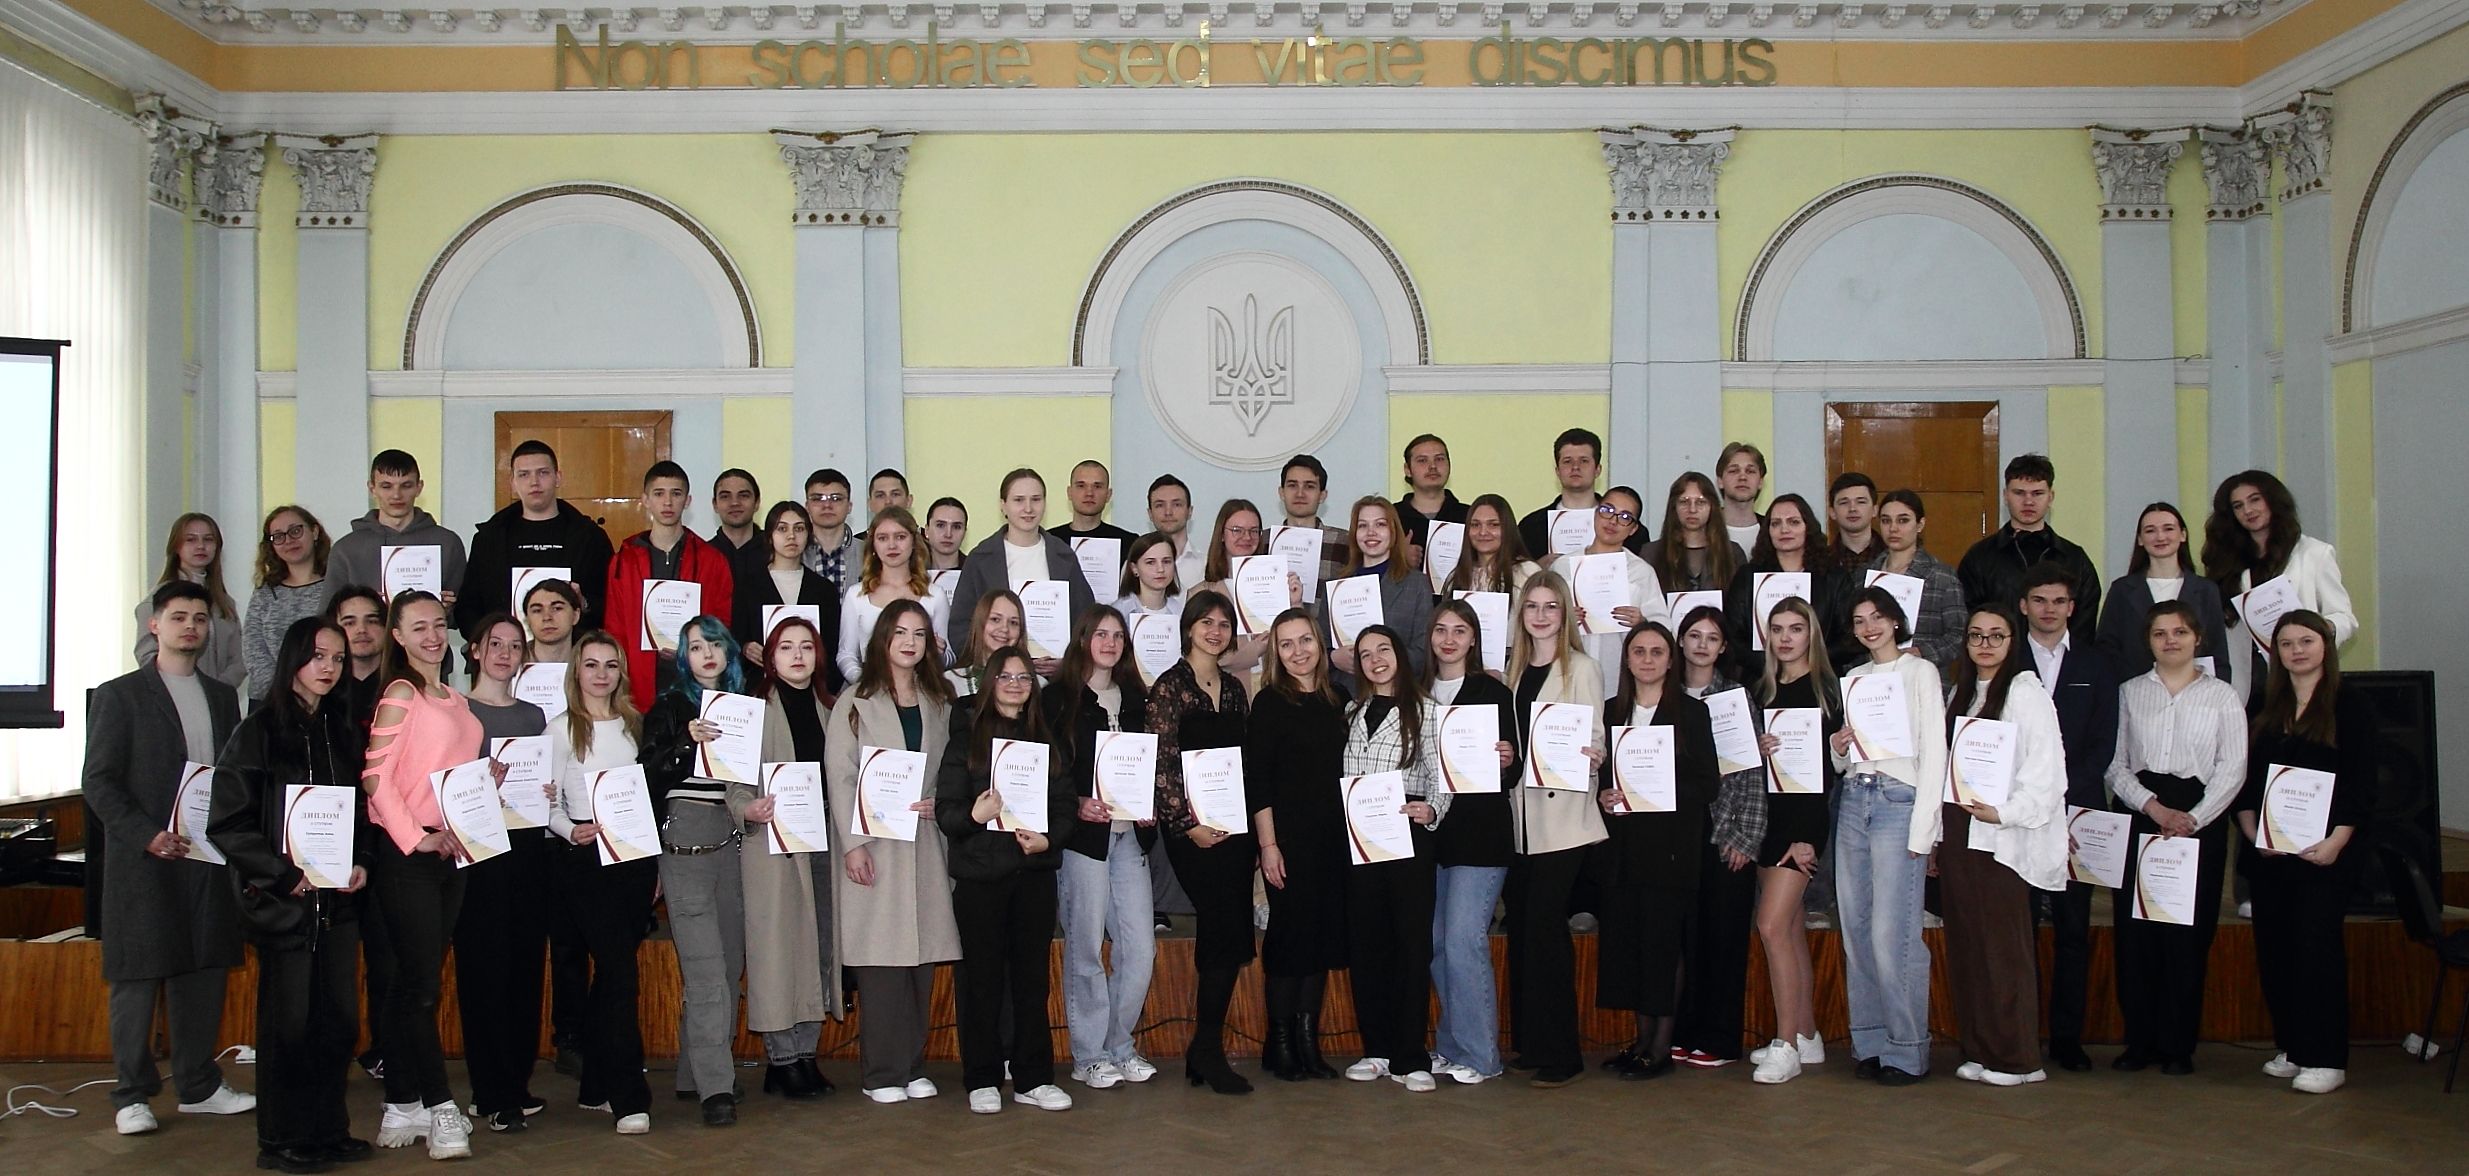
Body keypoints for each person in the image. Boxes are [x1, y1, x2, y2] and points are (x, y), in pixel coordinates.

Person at [84, 581, 252, 1138]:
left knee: (203, 969)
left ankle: (199, 1085)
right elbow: (100, 783)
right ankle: (131, 1094)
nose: (191, 627)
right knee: (138, 977)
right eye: (179, 617)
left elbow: (231, 780)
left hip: (208, 857)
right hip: (146, 858)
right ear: (154, 625)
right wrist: (145, 834)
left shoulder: (223, 697)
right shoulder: (120, 695)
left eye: (200, 619)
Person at [206, 616, 370, 1173]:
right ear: (294, 659)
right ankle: (281, 1139)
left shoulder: (342, 729)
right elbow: (227, 822)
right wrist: (281, 873)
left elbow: (360, 818)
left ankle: (328, 1130)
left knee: (338, 1022)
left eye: (338, 659)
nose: (328, 668)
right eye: (318, 656)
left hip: (338, 904)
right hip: (285, 904)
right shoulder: (259, 730)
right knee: (289, 1027)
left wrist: (361, 863)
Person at [358, 590, 483, 1158]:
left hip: (449, 857)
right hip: (407, 856)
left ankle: (400, 1106)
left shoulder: (455, 699)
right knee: (422, 988)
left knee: (412, 983)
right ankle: (440, 1107)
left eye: (439, 624)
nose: (433, 635)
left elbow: (448, 778)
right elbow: (376, 780)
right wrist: (418, 838)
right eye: (419, 627)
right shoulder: (401, 693)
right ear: (399, 638)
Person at [824, 600, 959, 1105]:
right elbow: (838, 775)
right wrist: (853, 845)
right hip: (874, 845)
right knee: (881, 963)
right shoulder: (855, 700)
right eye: (899, 632)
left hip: (925, 843)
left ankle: (913, 1064)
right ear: (882, 638)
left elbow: (953, 769)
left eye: (919, 634)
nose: (909, 642)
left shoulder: (940, 698)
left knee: (921, 961)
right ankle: (882, 1072)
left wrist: (941, 804)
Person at [2235, 610, 2375, 1095]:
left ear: (2326, 645)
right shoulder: (2264, 704)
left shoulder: (2348, 704)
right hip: (2271, 854)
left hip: (2326, 854)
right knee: (2275, 949)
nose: (2297, 650)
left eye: (2306, 641)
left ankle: (2326, 1057)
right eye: (2287, 643)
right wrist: (2253, 831)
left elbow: (2362, 781)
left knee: (2316, 951)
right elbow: (2247, 779)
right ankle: (2293, 1047)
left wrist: (2336, 841)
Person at [936, 645, 1079, 1114]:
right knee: (981, 982)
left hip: (1033, 878)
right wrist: (976, 815)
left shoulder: (1047, 741)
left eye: (1024, 678)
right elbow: (947, 813)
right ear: (989, 683)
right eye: (1006, 677)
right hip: (980, 879)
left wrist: (1047, 841)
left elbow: (1063, 810)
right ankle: (982, 1077)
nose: (1016, 684)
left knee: (1031, 982)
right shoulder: (966, 740)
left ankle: (1032, 1078)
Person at [2106, 600, 2247, 1075]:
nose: (2171, 640)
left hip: (2199, 821)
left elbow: (2233, 768)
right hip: (2143, 812)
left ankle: (2177, 1046)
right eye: (2160, 633)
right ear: (2148, 641)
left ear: (2197, 639)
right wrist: (2154, 807)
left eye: (2180, 632)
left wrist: (2195, 817)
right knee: (2137, 935)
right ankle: (2138, 1043)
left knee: (2187, 937)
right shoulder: (2127, 693)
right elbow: (2115, 762)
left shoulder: (2223, 697)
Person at [1939, 604, 2067, 1087]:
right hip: (1959, 834)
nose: (1985, 644)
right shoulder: (1962, 693)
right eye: (1976, 636)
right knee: (1969, 945)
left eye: (1996, 636)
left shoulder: (2026, 693)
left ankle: (2017, 1058)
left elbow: (2048, 770)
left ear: (2013, 642)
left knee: (2002, 949)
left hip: (2001, 837)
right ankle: (1981, 1047)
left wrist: (2005, 812)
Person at [1825, 587, 1946, 1086]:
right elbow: (1848, 757)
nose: (1869, 626)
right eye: (1859, 620)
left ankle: (1907, 1047)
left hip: (1900, 804)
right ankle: (1871, 1040)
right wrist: (1837, 749)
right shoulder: (1852, 678)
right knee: (1855, 928)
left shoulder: (1920, 672)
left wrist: (1926, 830)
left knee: (1892, 933)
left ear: (1896, 621)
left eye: (1877, 616)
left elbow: (1935, 750)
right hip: (1856, 798)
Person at [637, 616, 753, 1126]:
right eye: (695, 647)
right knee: (706, 974)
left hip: (730, 839)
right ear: (684, 657)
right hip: (682, 839)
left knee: (728, 966)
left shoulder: (747, 709)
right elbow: (647, 773)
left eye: (714, 645)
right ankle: (716, 1089)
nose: (707, 654)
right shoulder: (669, 706)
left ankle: (694, 1071)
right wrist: (687, 741)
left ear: (729, 652)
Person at [1593, 622, 1718, 1082]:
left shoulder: (1690, 713)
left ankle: (1661, 1046)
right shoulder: (1609, 713)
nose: (1647, 659)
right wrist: (1605, 795)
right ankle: (1641, 1041)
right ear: (1626, 660)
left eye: (1657, 652)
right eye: (1639, 651)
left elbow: (1708, 783)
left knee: (1664, 947)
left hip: (1670, 849)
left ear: (1671, 660)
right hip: (1622, 850)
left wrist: (1659, 785)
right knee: (1629, 944)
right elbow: (1603, 783)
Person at [545, 631, 658, 1135]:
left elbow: (650, 800)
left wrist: (653, 866)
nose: (600, 674)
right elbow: (545, 804)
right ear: (577, 672)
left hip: (634, 863)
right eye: (590, 665)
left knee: (612, 974)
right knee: (619, 973)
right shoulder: (561, 729)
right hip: (585, 864)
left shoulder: (637, 725)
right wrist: (572, 828)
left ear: (621, 672)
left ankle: (594, 1083)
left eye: (610, 665)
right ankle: (628, 1095)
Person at [1500, 571, 1607, 1089]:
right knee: (1523, 932)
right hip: (1522, 819)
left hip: (1564, 820)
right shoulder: (1514, 669)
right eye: (1532, 607)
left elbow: (1596, 738)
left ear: (1565, 615)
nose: (1541, 616)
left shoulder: (1582, 667)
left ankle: (1562, 1052)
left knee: (1546, 933)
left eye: (1551, 607)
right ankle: (1533, 1044)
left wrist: (1593, 757)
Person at [1046, 607, 1160, 1089]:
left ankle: (1118, 1045)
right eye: (1101, 634)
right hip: (1083, 842)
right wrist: (1076, 803)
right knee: (1087, 949)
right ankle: (1090, 1055)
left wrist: (1149, 800)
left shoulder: (1137, 698)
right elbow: (1050, 771)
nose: (1110, 642)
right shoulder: (1058, 699)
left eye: (1118, 636)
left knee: (1140, 949)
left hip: (1128, 838)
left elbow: (1151, 763)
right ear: (1083, 638)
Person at [1148, 591, 1257, 1095]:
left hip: (1234, 829)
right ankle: (1208, 1052)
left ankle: (1203, 1049)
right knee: (1218, 924)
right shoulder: (1169, 688)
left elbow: (1244, 760)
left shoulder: (1234, 687)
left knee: (1231, 931)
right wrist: (1187, 823)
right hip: (1191, 833)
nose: (1214, 631)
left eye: (1222, 623)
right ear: (1188, 627)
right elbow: (1162, 763)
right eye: (1205, 622)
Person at [2017, 562, 2121, 1072]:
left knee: (2073, 931)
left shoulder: (2098, 666)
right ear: (2024, 605)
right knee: (2020, 931)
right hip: (2019, 819)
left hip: (2078, 818)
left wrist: (2063, 807)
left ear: (2072, 608)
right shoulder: (2006, 659)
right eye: (2040, 600)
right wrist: (2035, 804)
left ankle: (2066, 1038)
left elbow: (2103, 744)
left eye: (2058, 601)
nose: (2049, 609)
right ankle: (2020, 1034)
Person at [450, 613, 552, 1132]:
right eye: (496, 644)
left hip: (529, 852)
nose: (505, 654)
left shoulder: (535, 717)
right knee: (484, 972)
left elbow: (541, 787)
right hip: (478, 854)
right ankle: (490, 1091)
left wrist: (549, 794)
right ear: (474, 650)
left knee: (524, 969)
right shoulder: (455, 709)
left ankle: (515, 1081)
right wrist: (473, 781)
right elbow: (440, 786)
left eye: (515, 646)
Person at [733, 617, 841, 1100]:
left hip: (824, 839)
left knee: (820, 947)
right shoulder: (750, 711)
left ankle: (804, 1055)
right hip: (771, 841)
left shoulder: (834, 710)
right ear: (769, 658)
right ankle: (781, 1058)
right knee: (778, 952)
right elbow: (732, 787)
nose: (797, 655)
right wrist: (746, 809)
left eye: (806, 647)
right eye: (785, 648)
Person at [1336, 626, 1443, 1092]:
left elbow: (1443, 777)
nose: (1376, 660)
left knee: (1410, 947)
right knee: (1367, 946)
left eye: (1383, 650)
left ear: (1400, 654)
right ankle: (1376, 1049)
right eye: (1365, 654)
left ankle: (1411, 1055)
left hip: (1407, 840)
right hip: (1361, 843)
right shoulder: (1350, 712)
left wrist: (1433, 809)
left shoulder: (1430, 712)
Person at [1249, 609, 1353, 1084]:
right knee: (1290, 941)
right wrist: (1268, 846)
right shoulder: (1270, 702)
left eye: (1305, 640)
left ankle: (1310, 1043)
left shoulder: (1341, 699)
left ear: (1320, 644)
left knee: (1321, 941)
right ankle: (1281, 1044)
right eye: (1286, 644)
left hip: (1334, 841)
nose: (1298, 651)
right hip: (1288, 843)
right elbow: (1259, 783)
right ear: (1275, 651)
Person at [1746, 597, 1842, 1086]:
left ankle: (1785, 1046)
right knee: (1789, 931)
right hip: (1767, 819)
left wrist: (1807, 839)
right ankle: (1806, 1034)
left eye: (1796, 629)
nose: (1786, 638)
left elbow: (1828, 773)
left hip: (1801, 825)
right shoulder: (1760, 689)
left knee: (1770, 926)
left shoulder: (1827, 689)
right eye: (1777, 629)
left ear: (1811, 634)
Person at [1422, 601, 1516, 1084]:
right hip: (1430, 836)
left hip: (1480, 836)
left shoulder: (1492, 692)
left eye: (1460, 631)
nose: (1450, 639)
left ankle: (1483, 1055)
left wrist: (1505, 757)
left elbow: (1514, 766)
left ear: (1474, 640)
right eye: (1441, 629)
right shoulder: (1415, 692)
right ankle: (1452, 1044)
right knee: (1438, 945)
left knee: (1463, 940)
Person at [1669, 606, 1766, 1069]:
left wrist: (1746, 837)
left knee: (1723, 936)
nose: (1702, 644)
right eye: (1693, 635)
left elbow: (1750, 772)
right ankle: (1684, 1031)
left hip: (1726, 829)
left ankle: (1721, 1038)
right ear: (1681, 641)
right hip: (1678, 834)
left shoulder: (1736, 697)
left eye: (1712, 637)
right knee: (1685, 937)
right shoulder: (1664, 695)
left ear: (1723, 646)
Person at [2202, 470, 2357, 692]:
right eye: (2238, 506)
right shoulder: (2226, 561)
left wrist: (2318, 630)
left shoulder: (2314, 553)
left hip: (2299, 673)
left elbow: (2345, 618)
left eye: (2255, 500)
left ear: (2273, 500)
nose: (2248, 510)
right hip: (2246, 679)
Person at [604, 461, 736, 709]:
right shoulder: (624, 560)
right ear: (645, 499)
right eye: (658, 494)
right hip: (639, 684)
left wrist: (694, 648)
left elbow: (722, 624)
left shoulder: (712, 560)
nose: (667, 502)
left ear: (687, 500)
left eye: (676, 494)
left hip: (695, 683)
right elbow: (615, 626)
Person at [946, 468, 1099, 673]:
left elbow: (1086, 622)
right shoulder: (980, 558)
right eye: (1018, 500)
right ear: (1003, 506)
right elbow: (960, 626)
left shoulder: (1064, 556)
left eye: (1036, 499)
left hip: (1053, 685)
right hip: (995, 680)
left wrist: (1068, 663)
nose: (1028, 508)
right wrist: (992, 665)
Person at [457, 440, 616, 633]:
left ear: (558, 478)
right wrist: (490, 642)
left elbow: (613, 606)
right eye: (524, 475)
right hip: (506, 656)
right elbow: (468, 607)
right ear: (513, 483)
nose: (534, 482)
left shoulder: (590, 538)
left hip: (572, 653)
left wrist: (583, 603)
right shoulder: (489, 538)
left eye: (543, 473)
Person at [1956, 454, 2100, 646]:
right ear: (2005, 495)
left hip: (2062, 665)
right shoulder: (1979, 557)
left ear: (2051, 497)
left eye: (2037, 493)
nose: (2028, 501)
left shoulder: (2075, 558)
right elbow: (1970, 620)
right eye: (2019, 493)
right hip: (1998, 664)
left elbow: (2084, 624)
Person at [1725, 493, 1858, 679]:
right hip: (1761, 681)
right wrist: (1771, 663)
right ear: (1767, 531)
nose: (1784, 529)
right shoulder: (1748, 576)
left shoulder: (1834, 578)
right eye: (1776, 523)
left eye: (1793, 522)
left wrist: (1807, 663)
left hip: (1820, 682)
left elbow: (1849, 637)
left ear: (1808, 528)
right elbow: (1733, 637)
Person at [2098, 502, 2233, 683]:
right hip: (2134, 695)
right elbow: (2106, 650)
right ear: (2140, 539)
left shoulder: (2206, 590)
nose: (2160, 537)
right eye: (2150, 531)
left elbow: (2217, 653)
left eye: (2168, 529)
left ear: (2183, 535)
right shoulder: (2122, 590)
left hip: (2194, 696)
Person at [327, 450, 466, 622]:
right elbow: (328, 617)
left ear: (419, 487)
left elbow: (466, 614)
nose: (396, 495)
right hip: (368, 648)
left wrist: (448, 610)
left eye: (406, 485)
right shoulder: (346, 549)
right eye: (386, 486)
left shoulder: (447, 543)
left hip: (430, 644)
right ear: (372, 488)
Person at [1571, 486, 1669, 699]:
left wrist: (1643, 622)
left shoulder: (1641, 572)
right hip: (1572, 677)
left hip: (1619, 680)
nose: (1613, 521)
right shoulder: (1564, 566)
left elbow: (1663, 629)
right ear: (1596, 512)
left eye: (1625, 517)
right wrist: (1564, 617)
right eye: (1607, 510)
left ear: (1633, 529)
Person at [731, 501, 842, 687]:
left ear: (808, 535)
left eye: (799, 529)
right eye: (782, 529)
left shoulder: (824, 590)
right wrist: (745, 648)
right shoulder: (749, 586)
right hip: (762, 690)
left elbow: (831, 648)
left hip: (813, 690)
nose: (791, 536)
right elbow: (735, 637)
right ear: (769, 536)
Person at [1327, 496, 1435, 683]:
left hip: (1399, 692)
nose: (1371, 532)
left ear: (1393, 532)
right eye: (1363, 526)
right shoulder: (1338, 583)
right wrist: (1332, 658)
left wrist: (1381, 662)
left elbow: (1423, 650)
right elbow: (1320, 644)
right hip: (1346, 693)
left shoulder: (1417, 583)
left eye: (1380, 525)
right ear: (1354, 533)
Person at [837, 506, 947, 687]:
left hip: (921, 690)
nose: (892, 545)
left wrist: (937, 652)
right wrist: (866, 684)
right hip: (870, 693)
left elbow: (949, 656)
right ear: (872, 544)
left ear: (913, 542)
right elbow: (846, 654)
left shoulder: (934, 595)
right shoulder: (856, 595)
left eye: (900, 537)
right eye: (882, 538)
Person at [135, 512, 245, 688]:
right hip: (173, 695)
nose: (201, 546)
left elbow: (239, 659)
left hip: (217, 699)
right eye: (191, 539)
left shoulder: (225, 603)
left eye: (208, 539)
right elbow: (147, 656)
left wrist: (217, 690)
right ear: (176, 546)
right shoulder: (157, 600)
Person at [1868, 489, 1969, 672]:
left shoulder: (1941, 576)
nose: (1893, 528)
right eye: (1886, 520)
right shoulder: (1865, 576)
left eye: (1903, 520)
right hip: (1876, 678)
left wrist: (1921, 652)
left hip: (1924, 677)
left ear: (1920, 524)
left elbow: (1959, 635)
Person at [246, 505, 334, 700]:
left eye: (295, 531)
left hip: (325, 700)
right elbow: (254, 650)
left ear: (314, 531)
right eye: (278, 536)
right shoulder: (265, 591)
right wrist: (287, 691)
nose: (288, 541)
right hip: (270, 702)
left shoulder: (335, 586)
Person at [1517, 428, 1606, 565]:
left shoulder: (1621, 525)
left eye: (1584, 461)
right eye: (1567, 461)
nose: (1575, 467)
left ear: (1598, 470)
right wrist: (1536, 568)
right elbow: (1515, 579)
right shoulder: (1530, 527)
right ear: (1557, 471)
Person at [1647, 473, 1745, 594]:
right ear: (1674, 507)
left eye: (1700, 502)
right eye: (1684, 502)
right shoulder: (1651, 553)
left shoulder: (1733, 553)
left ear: (1712, 507)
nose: (1692, 510)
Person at [1442, 493, 1540, 600]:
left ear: (1507, 528)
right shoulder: (1456, 577)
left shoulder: (1527, 573)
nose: (1483, 532)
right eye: (1475, 525)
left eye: (1493, 525)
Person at [1393, 433, 1467, 570]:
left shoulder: (1470, 517)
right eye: (1422, 460)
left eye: (1439, 459)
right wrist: (1397, 559)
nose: (1432, 466)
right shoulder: (1390, 518)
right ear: (1407, 469)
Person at [1277, 454, 1352, 588]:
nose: (1300, 494)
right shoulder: (1263, 542)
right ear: (1281, 492)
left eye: (1309, 486)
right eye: (1292, 485)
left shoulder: (1344, 542)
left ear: (1322, 496)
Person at [324, 586, 388, 725]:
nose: (362, 630)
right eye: (349, 623)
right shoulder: (322, 691)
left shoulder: (407, 686)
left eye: (372, 621)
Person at [950, 590, 1024, 698]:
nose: (1004, 628)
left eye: (1013, 623)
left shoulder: (1038, 684)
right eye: (995, 619)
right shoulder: (950, 682)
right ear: (979, 622)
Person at [799, 469, 862, 592]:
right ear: (807, 506)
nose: (827, 505)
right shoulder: (794, 552)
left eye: (836, 498)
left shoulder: (868, 552)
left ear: (849, 506)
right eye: (818, 499)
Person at [1052, 458, 1139, 545]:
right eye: (1081, 486)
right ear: (1069, 492)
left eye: (1097, 486)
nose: (1089, 493)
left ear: (1108, 495)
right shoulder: (1049, 540)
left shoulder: (1129, 543)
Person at [1145, 475, 1207, 592]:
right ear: (1150, 514)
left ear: (1190, 511)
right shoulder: (1134, 566)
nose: (1168, 512)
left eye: (1177, 504)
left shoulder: (1206, 566)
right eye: (1160, 505)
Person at [706, 467, 767, 581]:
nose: (734, 503)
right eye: (725, 496)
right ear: (715, 505)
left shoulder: (775, 552)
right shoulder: (703, 555)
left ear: (757, 503)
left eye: (743, 496)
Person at [1116, 532, 1182, 623]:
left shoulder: (1181, 612)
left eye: (1166, 561)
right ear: (1134, 568)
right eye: (1150, 562)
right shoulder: (1119, 612)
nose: (1160, 569)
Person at [1716, 442, 1767, 554]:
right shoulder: (1705, 529)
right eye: (1734, 471)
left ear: (1760, 482)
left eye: (1750, 471)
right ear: (1720, 481)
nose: (1742, 477)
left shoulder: (1772, 531)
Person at [522, 578, 584, 667]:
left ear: (575, 616)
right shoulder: (512, 663)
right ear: (527, 620)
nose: (547, 617)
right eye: (537, 610)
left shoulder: (591, 663)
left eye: (557, 608)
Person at [1826, 472, 1880, 564]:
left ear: (1875, 510)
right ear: (1832, 512)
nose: (1852, 509)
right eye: (1844, 503)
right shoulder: (1821, 561)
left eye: (1861, 502)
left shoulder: (1892, 557)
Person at [924, 497, 970, 574]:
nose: (948, 534)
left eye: (956, 527)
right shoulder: (910, 571)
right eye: (940, 525)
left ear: (964, 532)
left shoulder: (976, 571)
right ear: (927, 530)